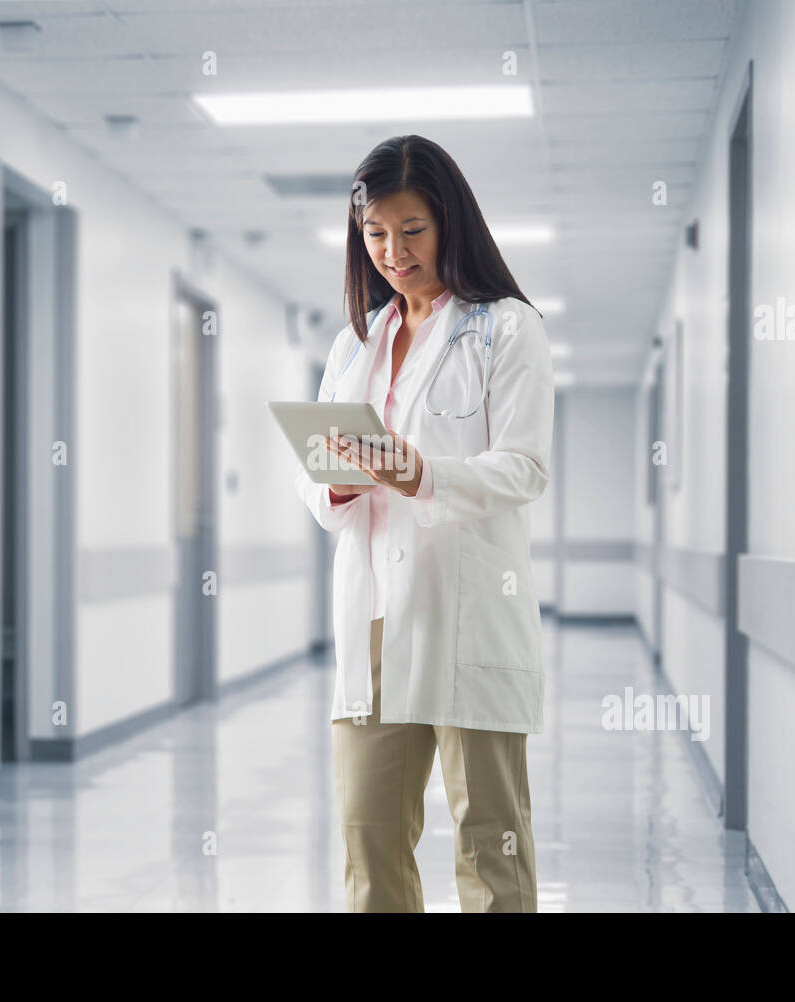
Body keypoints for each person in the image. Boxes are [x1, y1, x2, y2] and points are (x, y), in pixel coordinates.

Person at [294, 135, 555, 913]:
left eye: (412, 230)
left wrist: (422, 474)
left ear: (450, 223)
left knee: (489, 847)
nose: (392, 251)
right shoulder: (355, 344)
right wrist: (338, 487)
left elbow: (525, 468)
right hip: (371, 621)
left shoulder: (506, 328)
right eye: (375, 233)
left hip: (468, 613)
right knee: (369, 844)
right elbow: (315, 483)